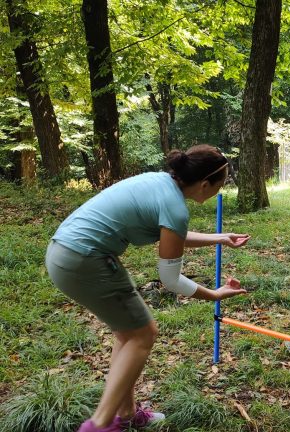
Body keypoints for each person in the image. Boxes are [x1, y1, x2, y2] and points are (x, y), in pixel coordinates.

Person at [45, 144, 250, 432]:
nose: (220, 190)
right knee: (144, 334)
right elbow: (171, 280)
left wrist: (220, 238)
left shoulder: (160, 183)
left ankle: (126, 414)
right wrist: (214, 294)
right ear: (205, 184)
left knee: (127, 333)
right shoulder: (175, 207)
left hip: (63, 253)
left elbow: (172, 235)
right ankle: (100, 425)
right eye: (221, 184)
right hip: (86, 260)